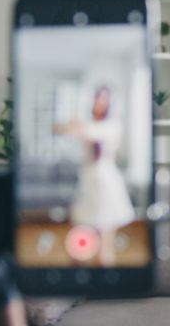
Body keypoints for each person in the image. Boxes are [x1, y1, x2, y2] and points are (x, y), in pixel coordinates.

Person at [52, 85, 134, 267]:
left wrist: (76, 125)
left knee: (105, 246)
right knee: (78, 242)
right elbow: (61, 128)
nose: (99, 102)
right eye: (97, 97)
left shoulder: (112, 125)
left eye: (103, 98)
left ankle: (104, 286)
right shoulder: (89, 123)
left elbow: (88, 131)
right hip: (88, 185)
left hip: (105, 185)